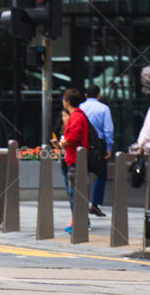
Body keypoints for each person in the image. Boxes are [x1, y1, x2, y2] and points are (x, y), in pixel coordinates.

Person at [59, 87, 90, 235]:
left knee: (74, 192)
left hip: (74, 159)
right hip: (71, 158)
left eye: (64, 99)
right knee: (73, 191)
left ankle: (79, 222)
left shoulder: (77, 116)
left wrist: (63, 143)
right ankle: (77, 221)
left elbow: (73, 137)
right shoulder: (75, 116)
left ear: (67, 101)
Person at [80, 84, 114, 217]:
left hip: (82, 144)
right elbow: (108, 130)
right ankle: (95, 204)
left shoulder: (80, 108)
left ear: (85, 95)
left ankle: (82, 203)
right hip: (98, 144)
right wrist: (109, 147)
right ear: (99, 95)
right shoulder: (104, 109)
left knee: (83, 174)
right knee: (101, 174)